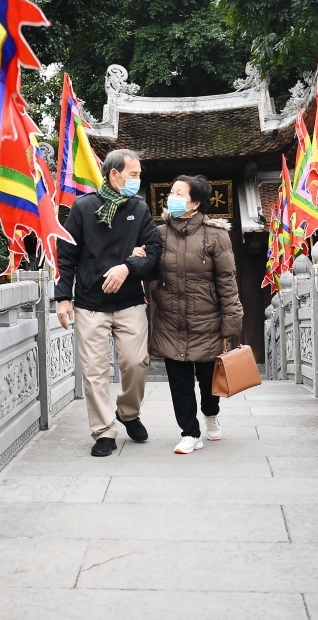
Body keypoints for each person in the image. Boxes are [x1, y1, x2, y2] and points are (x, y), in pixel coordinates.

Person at [55, 149, 161, 457]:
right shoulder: (83, 208)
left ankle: (127, 412)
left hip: (129, 301)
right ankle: (103, 432)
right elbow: (68, 255)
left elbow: (154, 251)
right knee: (95, 371)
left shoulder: (139, 210)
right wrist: (63, 297)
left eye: (139, 175)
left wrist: (128, 265)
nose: (138, 180)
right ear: (114, 175)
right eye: (133, 175)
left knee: (136, 362)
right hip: (89, 303)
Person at [147, 175, 244, 454]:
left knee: (207, 380)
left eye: (179, 193)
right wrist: (139, 257)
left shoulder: (216, 235)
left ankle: (211, 414)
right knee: (179, 382)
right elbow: (150, 272)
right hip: (170, 318)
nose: (171, 197)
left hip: (206, 319)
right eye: (171, 191)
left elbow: (227, 280)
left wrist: (231, 319)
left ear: (196, 202)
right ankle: (190, 433)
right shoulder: (159, 233)